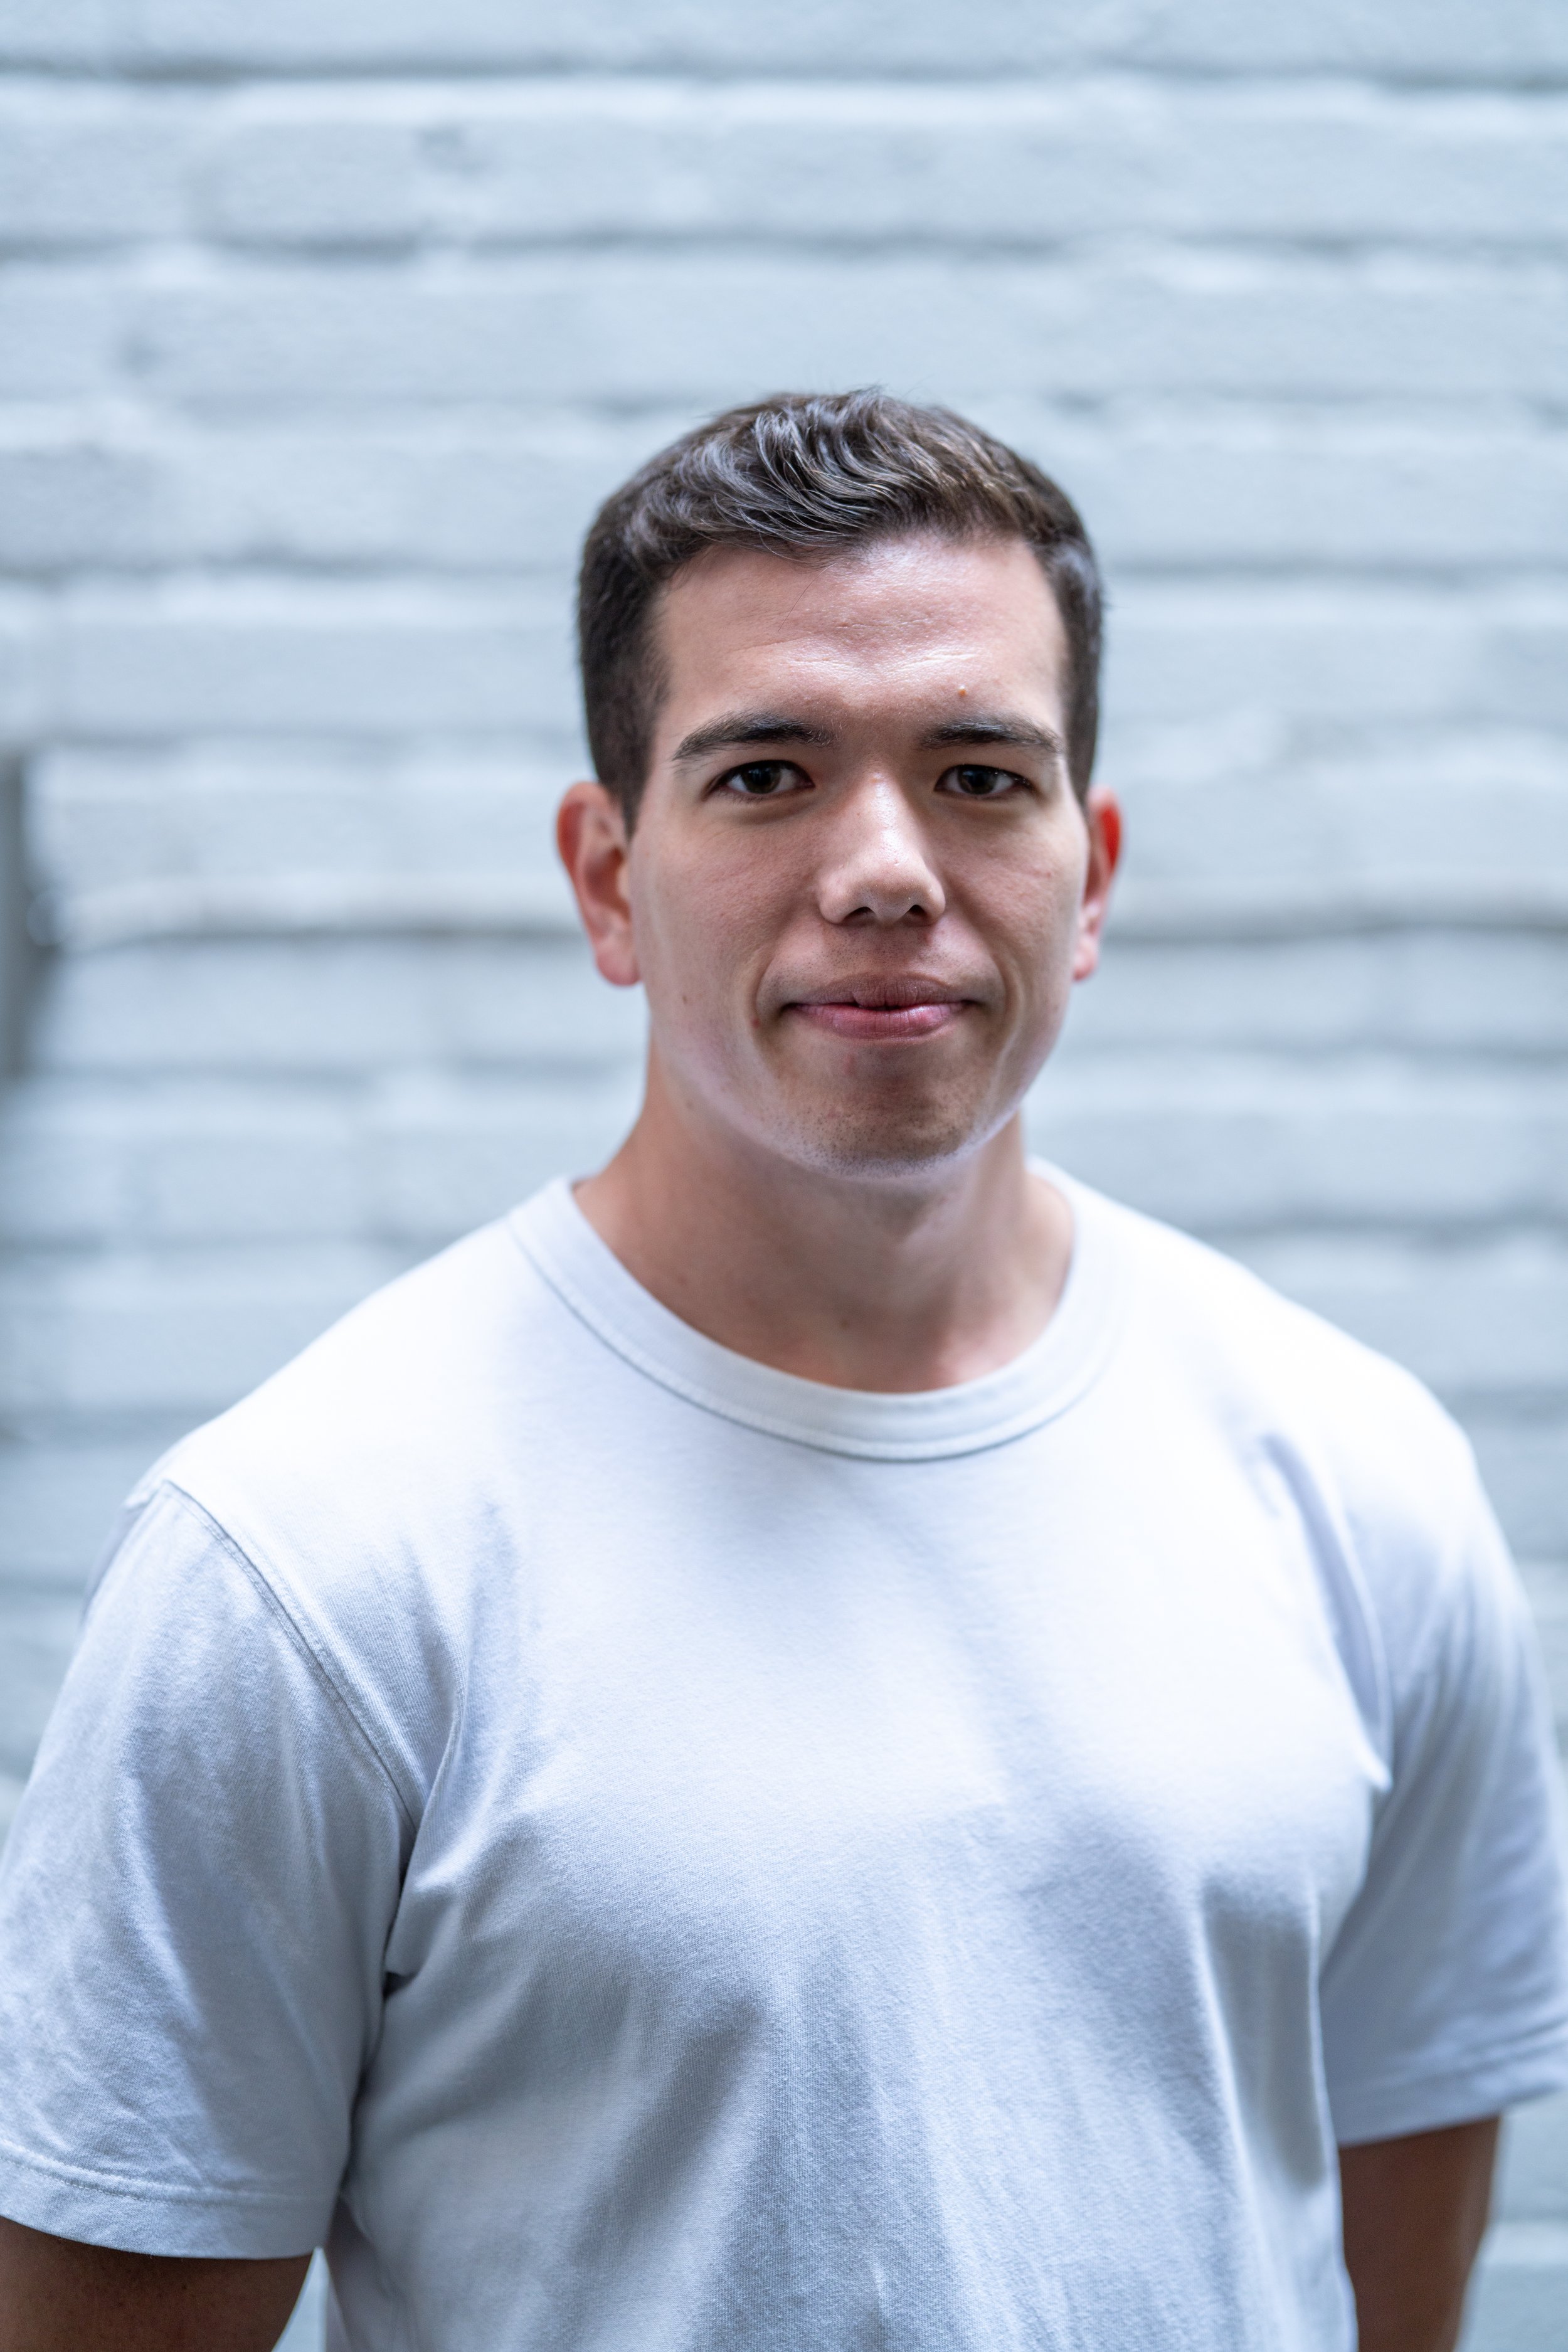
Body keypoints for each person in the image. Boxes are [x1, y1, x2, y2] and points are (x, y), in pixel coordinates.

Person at [0, 392, 1564, 2352]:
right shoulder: (306, 1561)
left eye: (979, 775)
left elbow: (1386, 2260)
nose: (886, 866)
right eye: (764, 775)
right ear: (605, 880)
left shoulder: (1354, 1478)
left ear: (1089, 875)